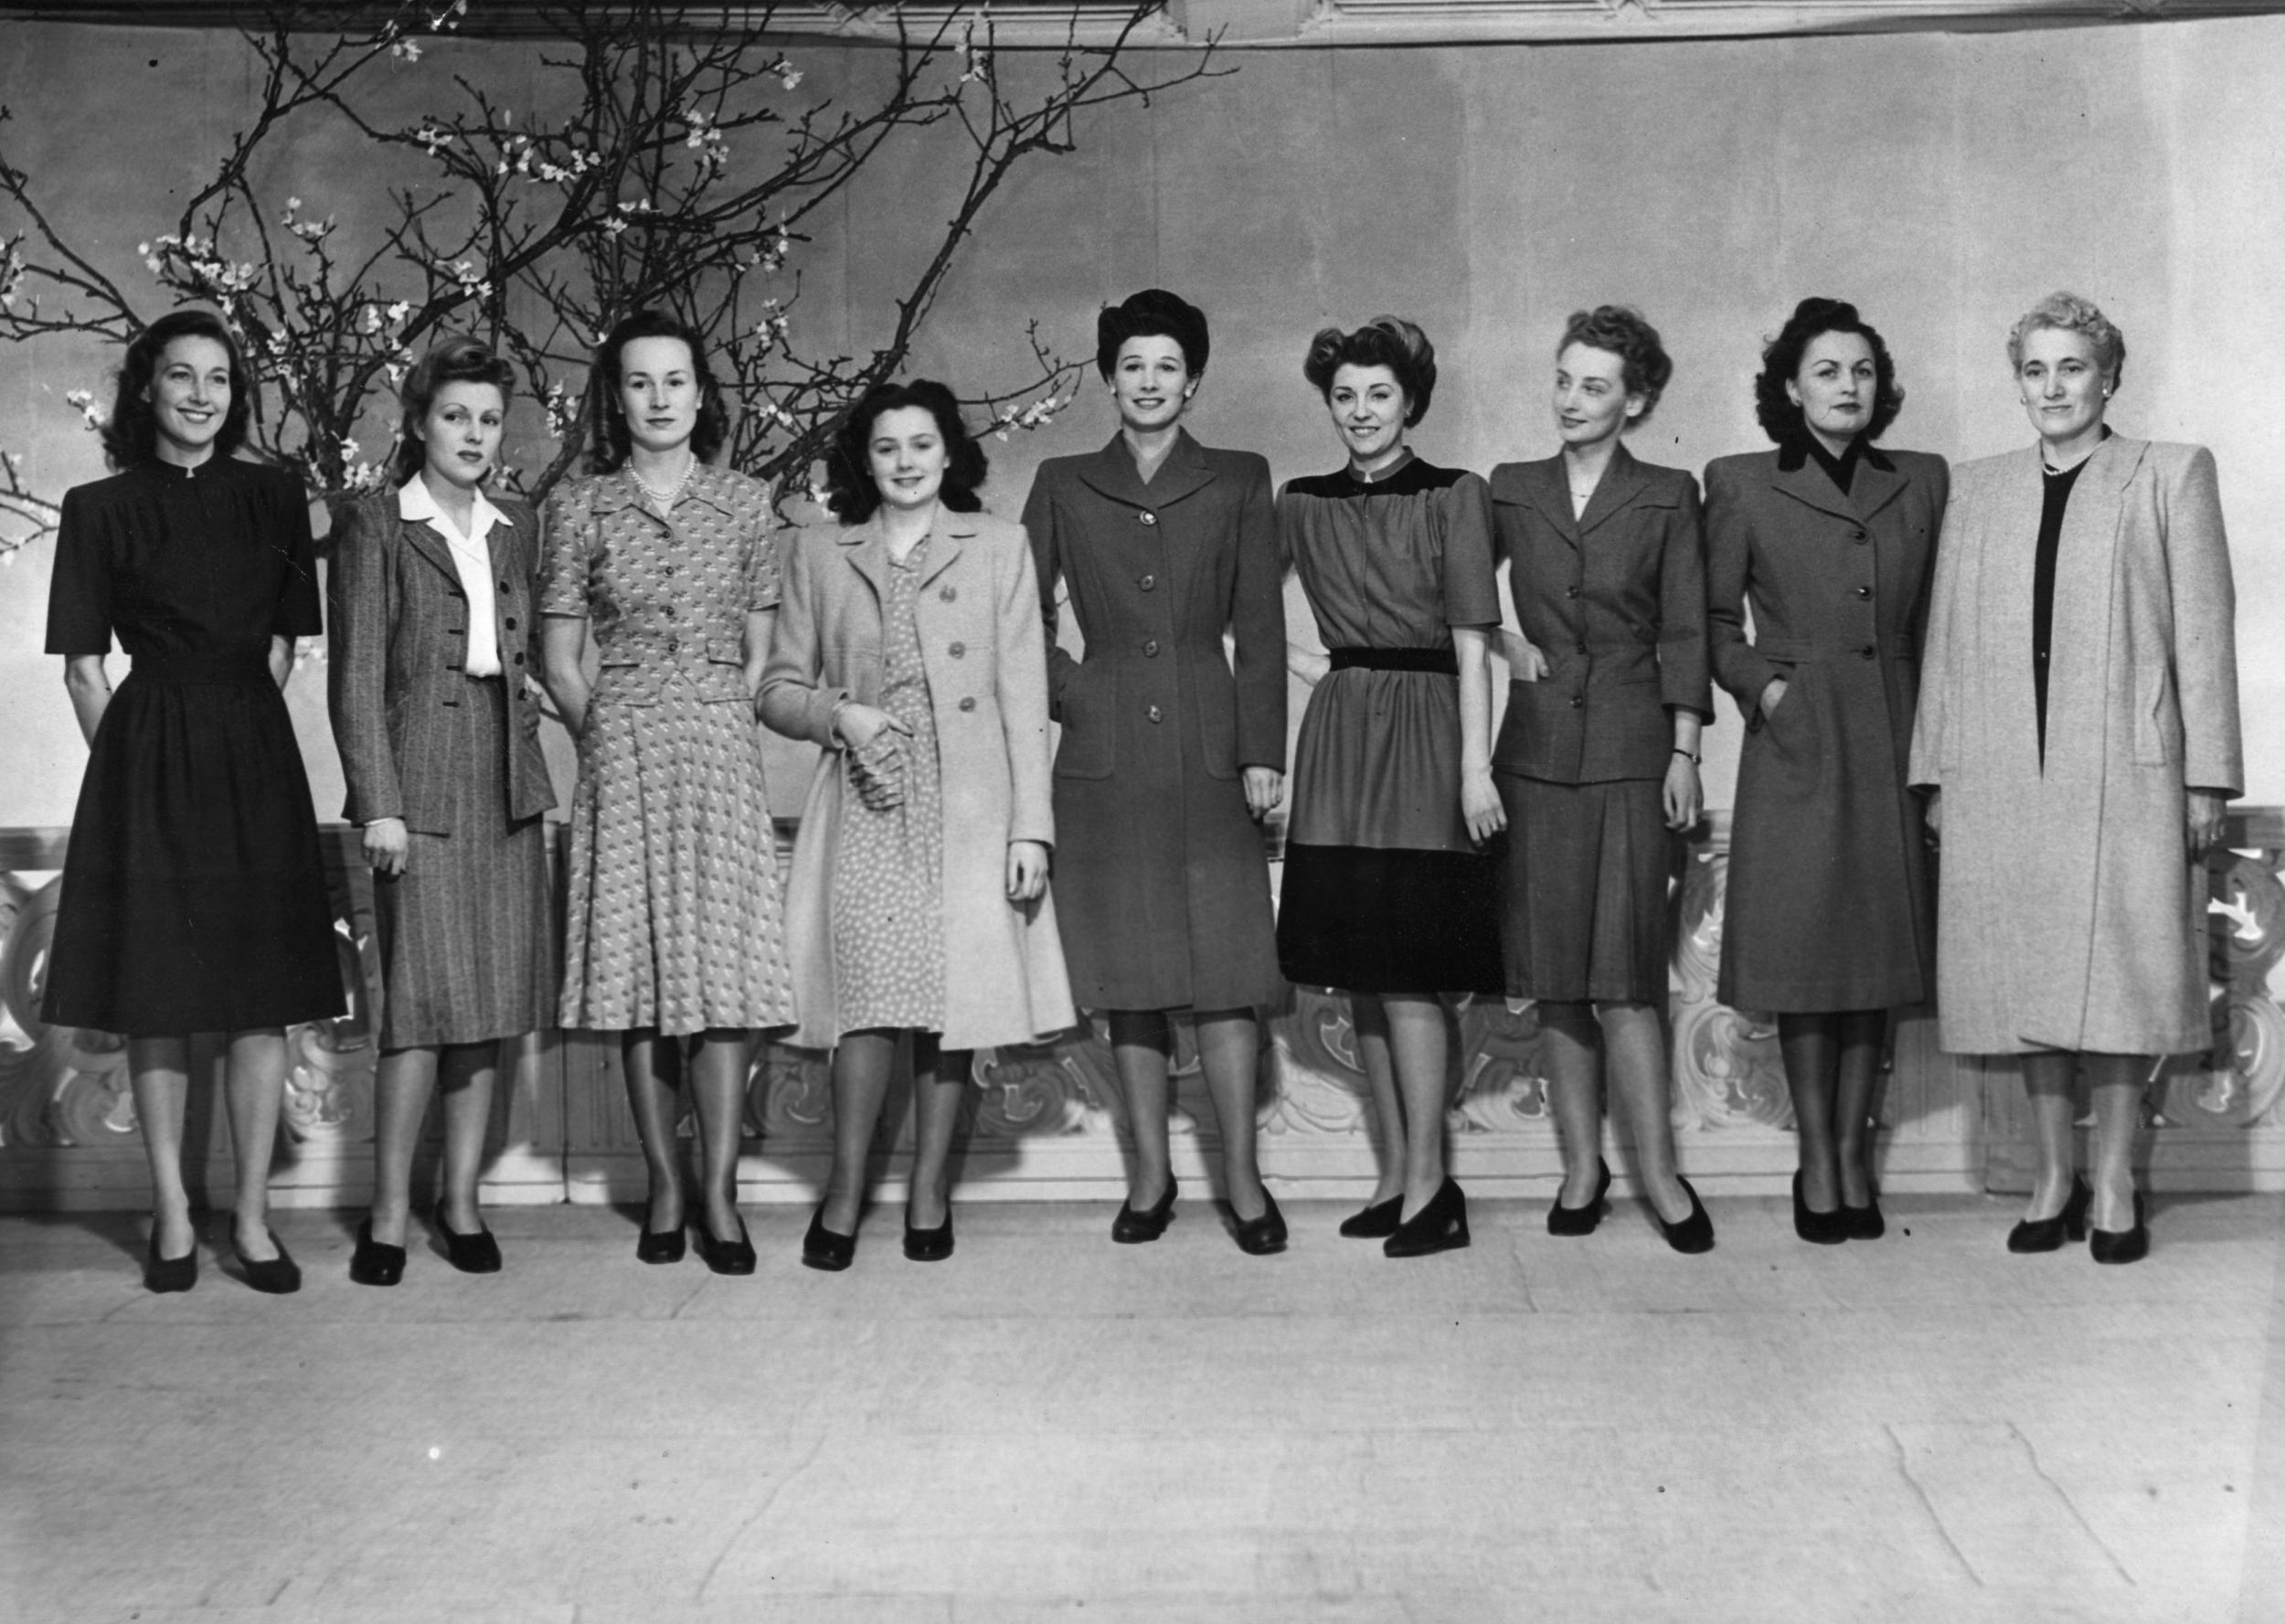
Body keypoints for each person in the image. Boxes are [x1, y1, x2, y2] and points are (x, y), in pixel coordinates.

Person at [1911, 292, 2240, 1265]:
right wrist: (1934, 769)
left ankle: (2112, 1181)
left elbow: (2203, 636)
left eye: (2071, 367)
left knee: (2119, 980)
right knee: (2024, 971)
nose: (2052, 387)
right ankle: (2051, 1174)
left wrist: (2206, 778)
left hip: (2125, 769)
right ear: (2018, 381)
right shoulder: (1979, 487)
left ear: (2108, 376)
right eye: (2034, 369)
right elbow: (1944, 641)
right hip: (2001, 768)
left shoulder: (2168, 474)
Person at [43, 307, 345, 1294]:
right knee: (157, 1003)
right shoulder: (99, 507)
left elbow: (282, 643)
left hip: (252, 757)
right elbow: (85, 671)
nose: (202, 396)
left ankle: (253, 1220)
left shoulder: (273, 496)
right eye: (182, 377)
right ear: (147, 389)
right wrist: (139, 766)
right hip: (147, 764)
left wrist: (225, 732)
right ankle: (173, 1212)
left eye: (219, 379)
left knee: (261, 1003)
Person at [762, 379, 1073, 1270]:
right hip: (864, 799)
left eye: (921, 445)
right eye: (888, 447)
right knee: (864, 1003)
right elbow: (777, 688)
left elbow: (1026, 695)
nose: (905, 462)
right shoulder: (820, 552)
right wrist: (839, 717)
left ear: (949, 455)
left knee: (953, 1006)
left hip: (971, 807)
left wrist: (1030, 831)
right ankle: (845, 1189)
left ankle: (930, 1189)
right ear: (865, 458)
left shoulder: (997, 547)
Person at [1021, 290, 1289, 1254]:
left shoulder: (1237, 478)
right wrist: (1078, 691)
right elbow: (1020, 617)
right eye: (1131, 366)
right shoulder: (1061, 480)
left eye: (1166, 366)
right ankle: (1147, 1180)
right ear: (1107, 378)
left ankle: (1244, 1186)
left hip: (1210, 753)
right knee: (1126, 977)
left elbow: (1260, 625)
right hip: (1102, 765)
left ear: (1194, 380)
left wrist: (1261, 751)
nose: (1147, 382)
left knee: (1226, 975)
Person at [537, 309, 797, 1275]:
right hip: (625, 748)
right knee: (641, 979)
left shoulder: (748, 502)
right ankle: (664, 1185)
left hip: (722, 750)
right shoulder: (581, 506)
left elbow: (763, 649)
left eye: (674, 381)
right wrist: (605, 729)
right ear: (618, 396)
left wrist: (717, 711)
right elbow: (560, 656)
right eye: (639, 382)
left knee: (721, 982)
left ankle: (720, 1193)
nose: (658, 399)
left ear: (700, 393)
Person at [1705, 296, 1948, 1245]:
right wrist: (1768, 693)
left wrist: (1938, 754)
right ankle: (1818, 1159)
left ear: (1879, 385)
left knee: (1872, 958)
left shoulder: (1922, 480)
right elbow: (1715, 625)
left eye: (1859, 370)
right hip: (1798, 742)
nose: (1846, 386)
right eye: (1825, 371)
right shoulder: (1739, 481)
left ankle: (1854, 1155)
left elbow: (1938, 624)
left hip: (1893, 732)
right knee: (1808, 958)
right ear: (1789, 389)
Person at [328, 337, 557, 1286]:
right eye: (454, 415)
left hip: (507, 784)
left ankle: (459, 1202)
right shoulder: (375, 524)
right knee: (418, 1012)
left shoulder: (517, 524)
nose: (471, 433)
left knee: (489, 1007)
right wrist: (378, 803)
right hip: (416, 786)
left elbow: (526, 649)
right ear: (418, 422)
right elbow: (352, 681)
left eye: (488, 418)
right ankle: (388, 1212)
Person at [1277, 315, 1506, 1259]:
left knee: (1409, 973)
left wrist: (1474, 762)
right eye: (1345, 396)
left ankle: (1432, 1185)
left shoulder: (1456, 495)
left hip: (1426, 731)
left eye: (1379, 394)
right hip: (1338, 734)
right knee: (1359, 973)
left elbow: (1471, 638)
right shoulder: (1298, 501)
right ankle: (1393, 1175)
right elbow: (1238, 612)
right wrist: (1318, 677)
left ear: (1410, 401)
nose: (1361, 411)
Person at [1488, 305, 1715, 1254]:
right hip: (1534, 756)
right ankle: (1581, 1168)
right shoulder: (1509, 486)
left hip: (1630, 752)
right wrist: (1506, 643)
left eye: (1595, 386)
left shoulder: (1668, 493)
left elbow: (1685, 631)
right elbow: (1451, 600)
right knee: (1555, 980)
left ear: (1636, 400)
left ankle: (1660, 1176)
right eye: (1564, 379)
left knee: (1624, 976)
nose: (1572, 400)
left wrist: (1684, 752)